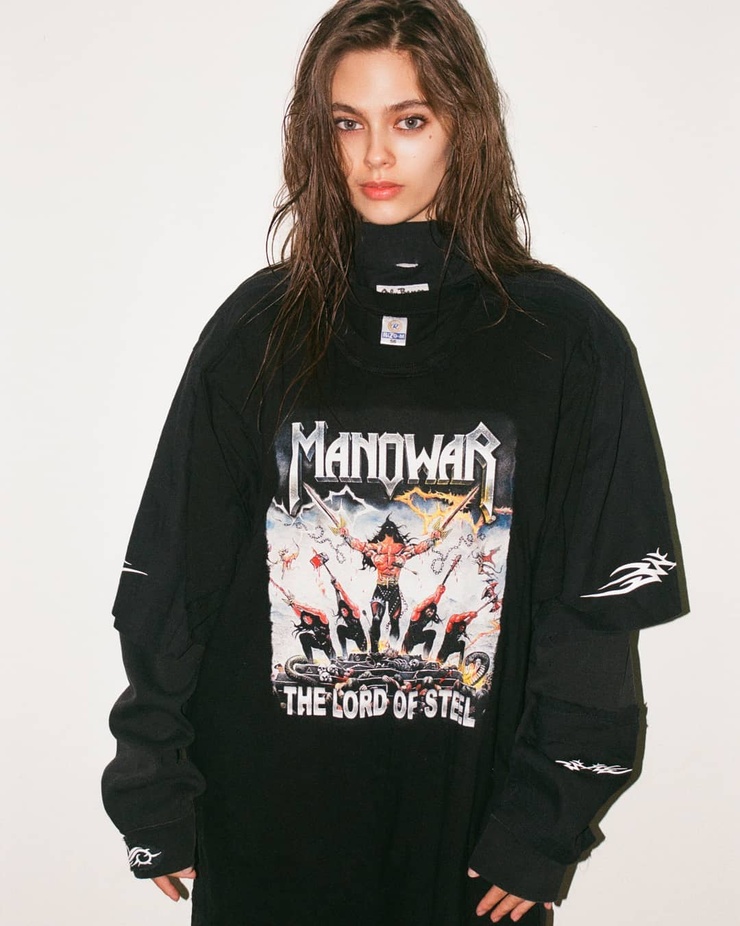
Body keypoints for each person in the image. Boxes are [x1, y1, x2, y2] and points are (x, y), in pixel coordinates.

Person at [101, 2, 685, 924]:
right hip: (265, 839)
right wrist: (151, 782)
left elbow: (597, 616)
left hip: (467, 852)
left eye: (409, 120)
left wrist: (546, 823)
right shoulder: (258, 331)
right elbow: (175, 582)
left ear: (464, 124)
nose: (375, 155)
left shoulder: (565, 342)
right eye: (348, 122)